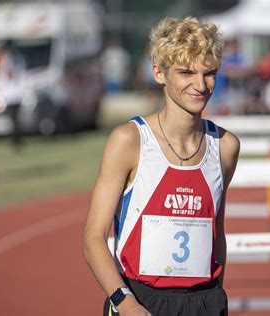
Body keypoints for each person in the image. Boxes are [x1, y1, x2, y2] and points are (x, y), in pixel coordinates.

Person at [83, 16, 240, 316]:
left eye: (209, 73)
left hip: (204, 301)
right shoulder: (129, 140)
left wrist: (215, 292)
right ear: (159, 73)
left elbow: (215, 227)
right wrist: (124, 301)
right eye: (186, 72)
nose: (200, 84)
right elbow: (93, 238)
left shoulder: (226, 147)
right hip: (138, 300)